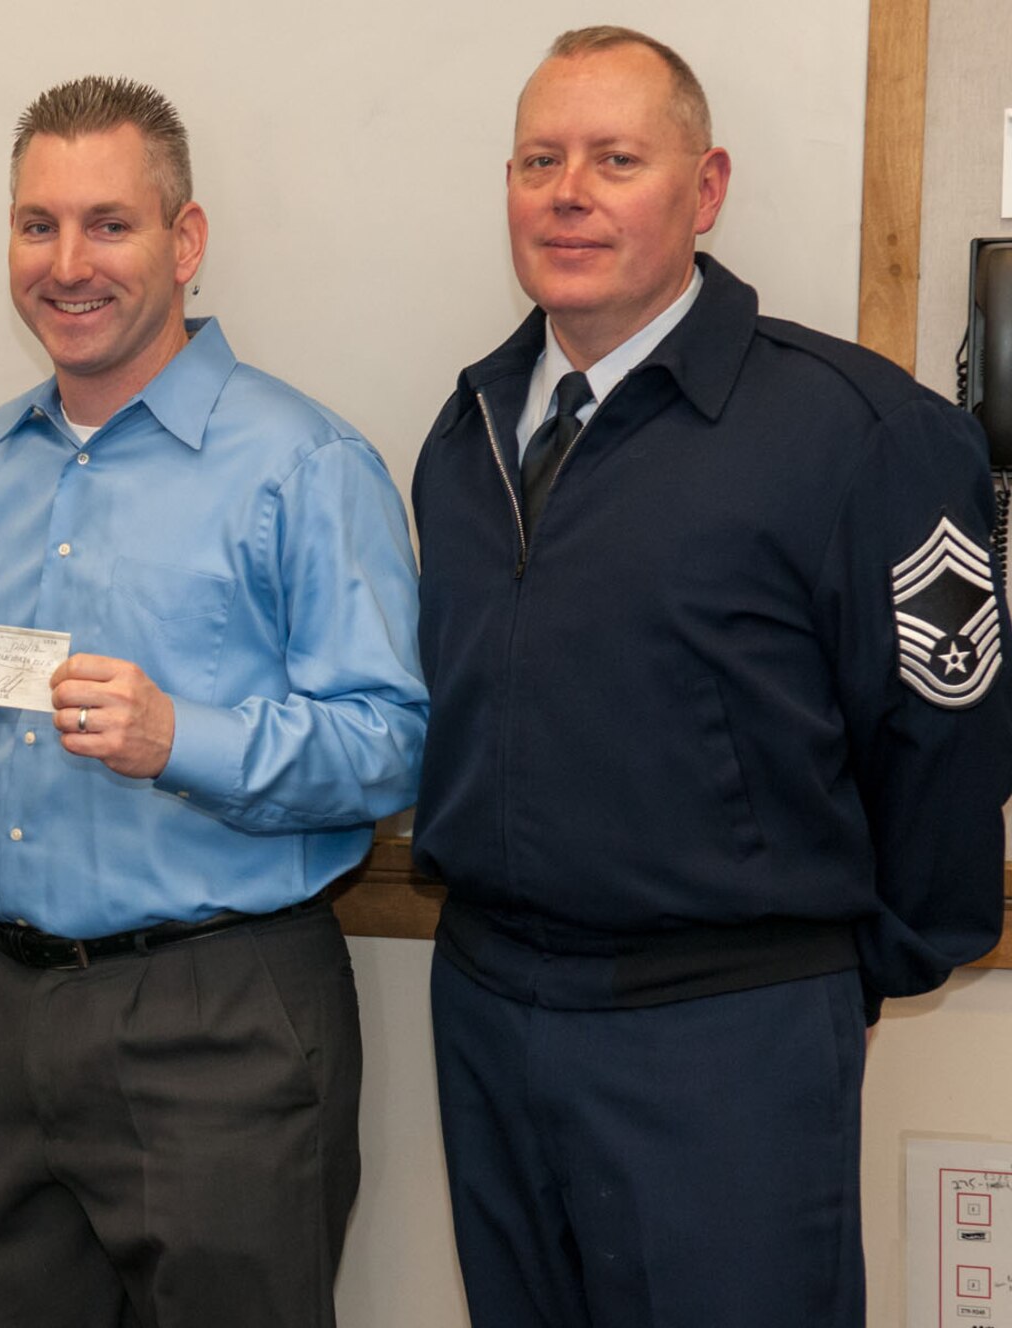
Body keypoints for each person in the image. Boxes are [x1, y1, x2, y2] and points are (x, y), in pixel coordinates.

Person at [411, 26, 1012, 1327]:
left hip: (724, 1036)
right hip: (489, 1012)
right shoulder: (463, 432)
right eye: (539, 159)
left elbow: (949, 741)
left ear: (707, 187)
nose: (568, 192)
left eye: (617, 158)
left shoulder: (863, 435)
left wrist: (841, 973)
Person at [0, 76, 430, 1327]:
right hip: (7, 1016)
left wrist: (180, 739)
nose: (67, 263)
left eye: (108, 223)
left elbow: (390, 742)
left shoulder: (304, 461)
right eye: (36, 225)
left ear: (185, 240)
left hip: (221, 1019)